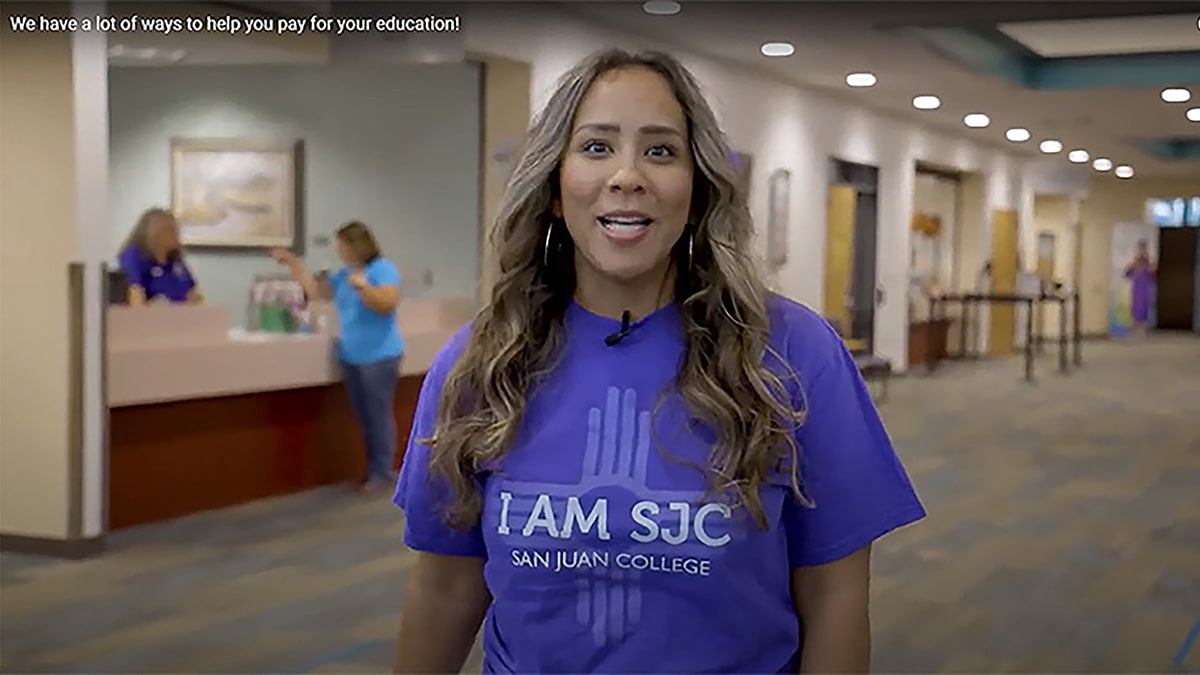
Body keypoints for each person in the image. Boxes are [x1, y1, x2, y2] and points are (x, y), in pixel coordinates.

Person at [393, 48, 926, 674]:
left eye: (660, 150)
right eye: (595, 147)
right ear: (555, 191)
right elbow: (447, 587)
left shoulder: (793, 353)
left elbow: (834, 594)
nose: (627, 176)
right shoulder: (482, 360)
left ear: (696, 192)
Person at [272, 222, 405, 492]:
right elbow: (317, 292)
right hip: (351, 356)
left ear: (357, 245)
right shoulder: (345, 274)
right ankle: (373, 469)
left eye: (343, 245)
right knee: (363, 416)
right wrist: (293, 264)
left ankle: (381, 472)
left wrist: (364, 287)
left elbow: (388, 303)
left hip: (379, 356)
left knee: (377, 415)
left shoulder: (382, 269)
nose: (339, 250)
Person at [117, 208, 203, 305]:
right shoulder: (135, 255)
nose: (176, 235)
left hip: (183, 317)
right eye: (170, 231)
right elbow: (134, 293)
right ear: (155, 233)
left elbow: (194, 294)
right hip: (151, 317)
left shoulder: (175, 259)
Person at [1123, 239, 1156, 336]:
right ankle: (1135, 326)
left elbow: (1153, 277)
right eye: (1140, 248)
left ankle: (1143, 327)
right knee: (1136, 306)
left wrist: (1151, 270)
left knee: (1144, 307)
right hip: (1136, 288)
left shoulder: (1149, 262)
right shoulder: (1135, 262)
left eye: (1144, 248)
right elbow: (1127, 274)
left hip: (1145, 288)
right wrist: (1133, 266)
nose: (1142, 251)